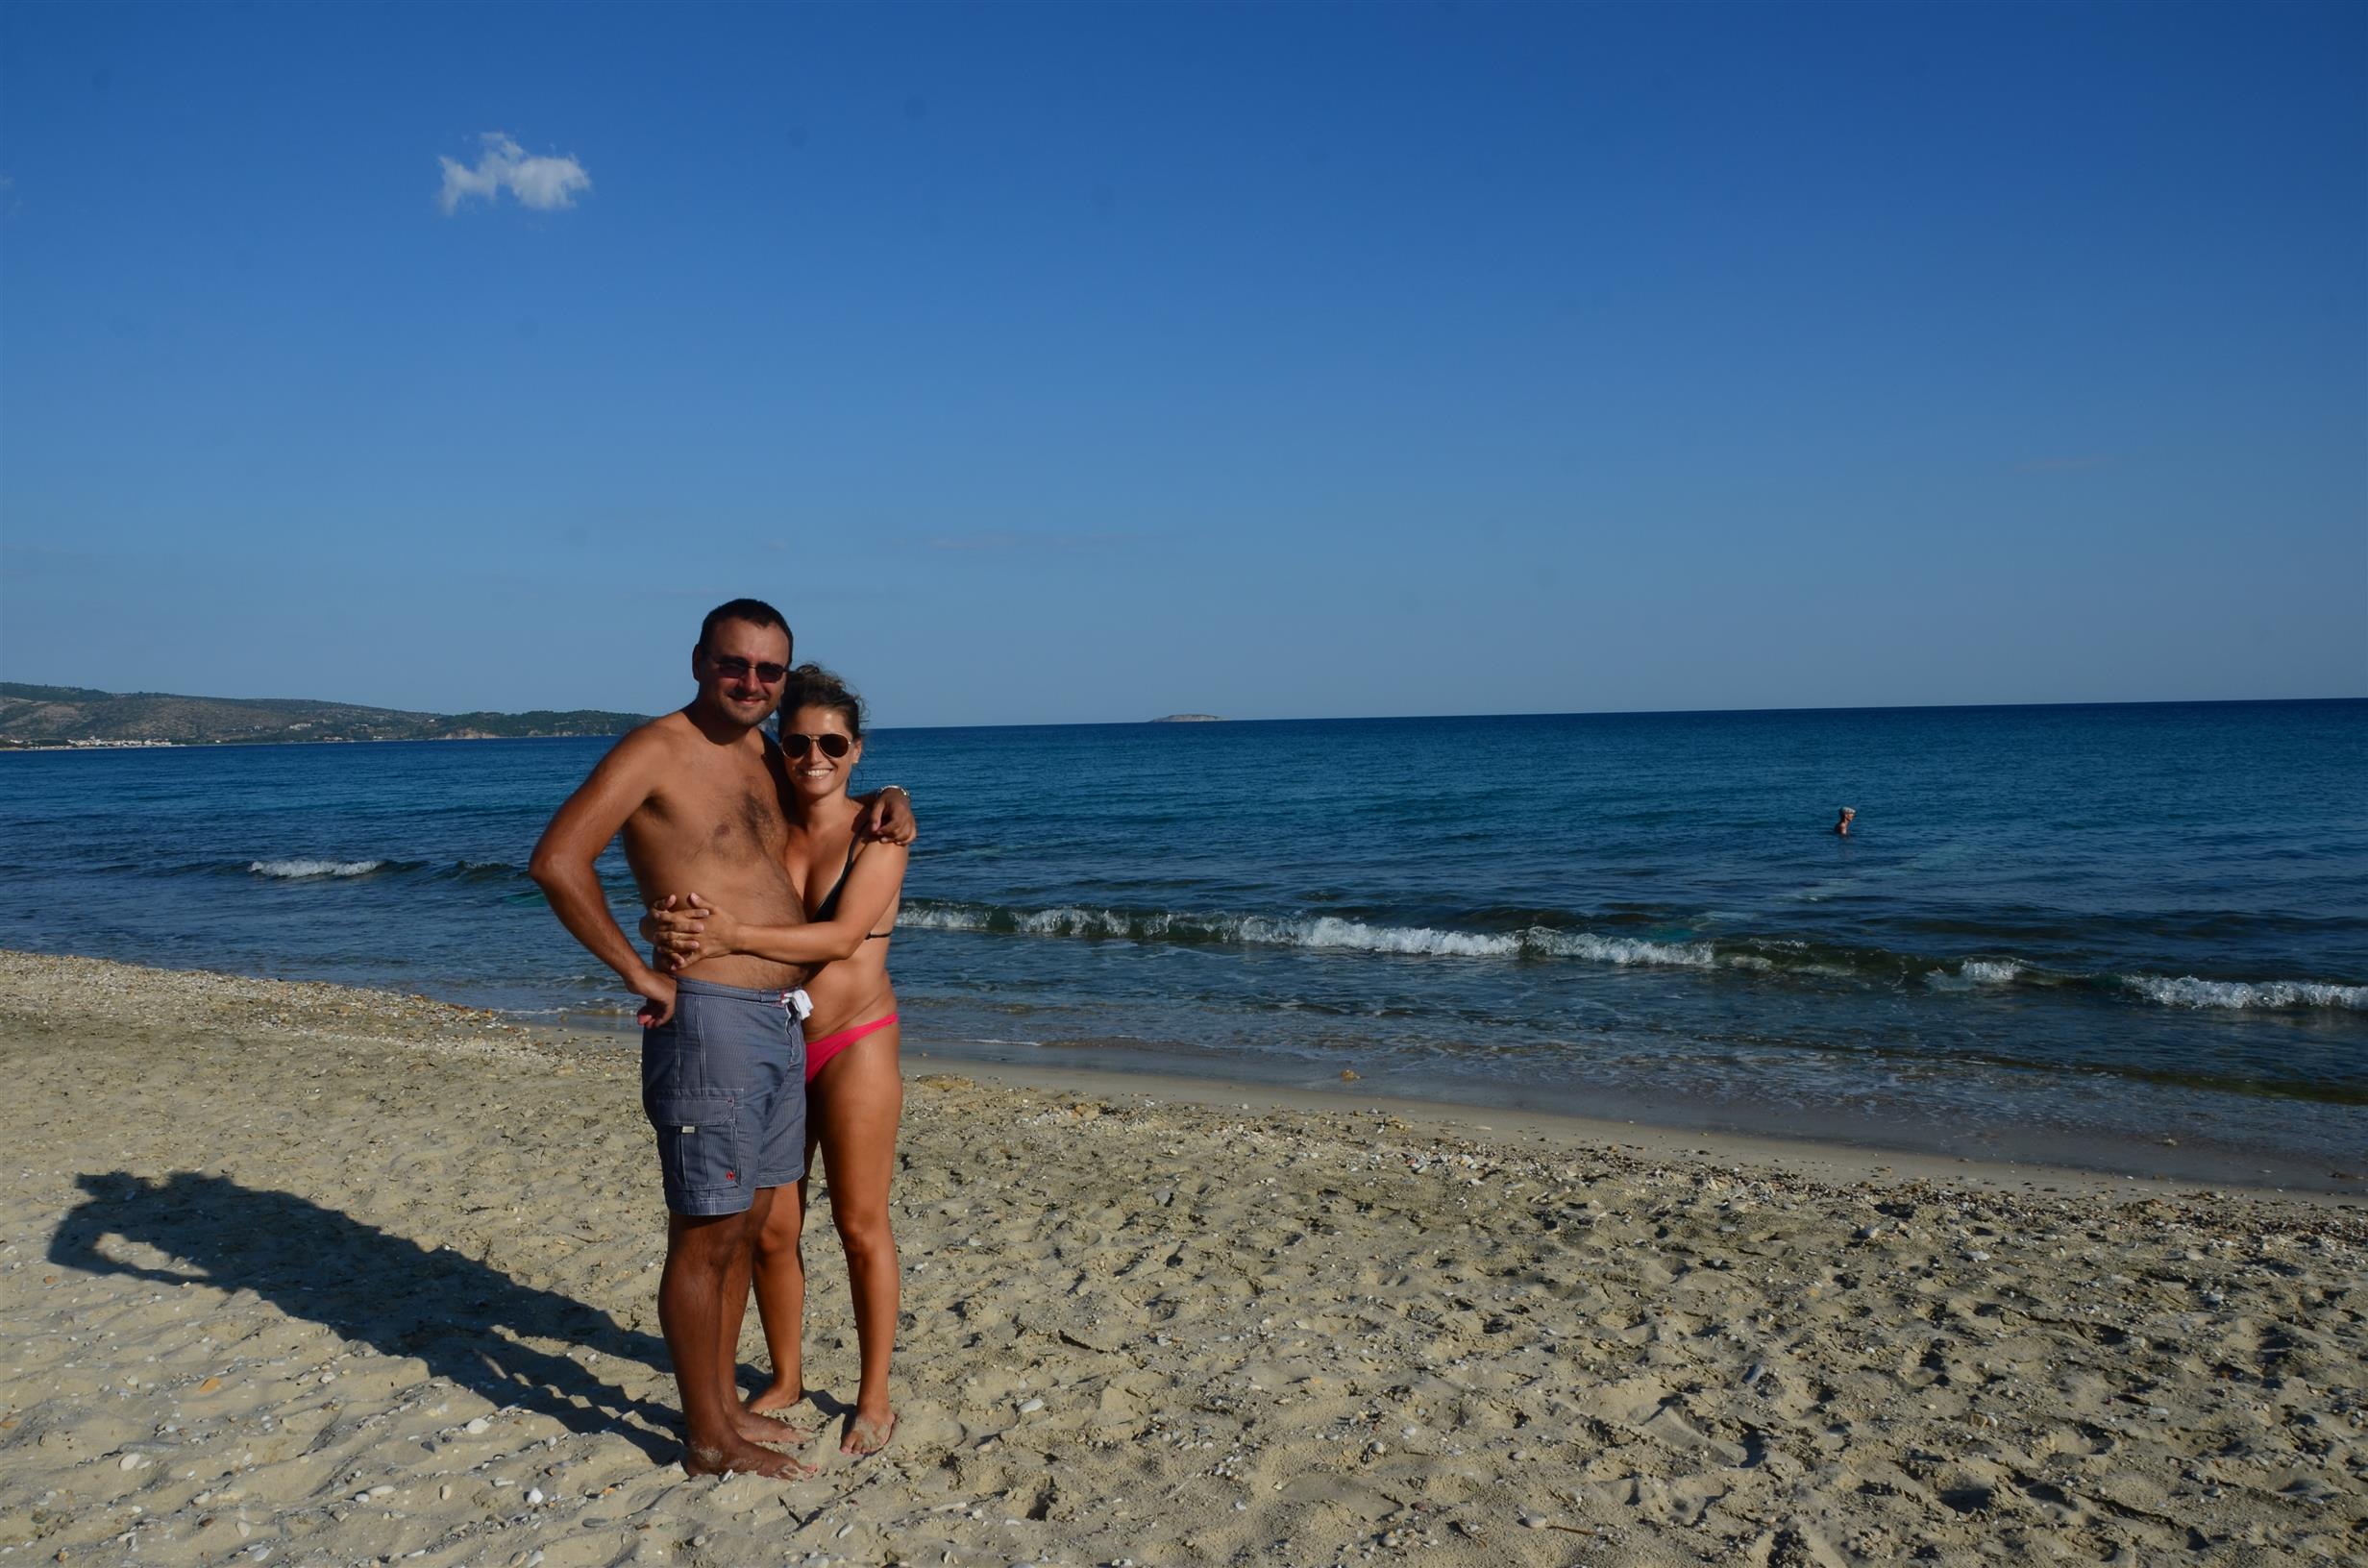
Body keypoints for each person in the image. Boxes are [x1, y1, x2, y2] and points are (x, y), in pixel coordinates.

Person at [526, 600, 912, 1479]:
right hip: (710, 1019)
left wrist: (894, 797)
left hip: (779, 1023)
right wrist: (638, 970)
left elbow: (825, 790)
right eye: (735, 664)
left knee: (748, 1226)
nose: (751, 682)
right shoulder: (655, 749)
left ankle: (727, 1410)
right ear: (699, 660)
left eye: (769, 671)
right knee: (706, 1232)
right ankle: (708, 1437)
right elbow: (557, 860)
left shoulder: (763, 754)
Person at [643, 665, 908, 1456]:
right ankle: (786, 1376)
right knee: (770, 1229)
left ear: (856, 749)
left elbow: (840, 938)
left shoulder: (879, 834)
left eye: (833, 744)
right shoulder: (768, 825)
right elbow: (692, 880)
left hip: (856, 1038)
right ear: (779, 749)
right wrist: (669, 936)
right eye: (798, 743)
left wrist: (731, 936)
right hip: (776, 1038)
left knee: (859, 1225)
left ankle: (874, 1396)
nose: (815, 757)